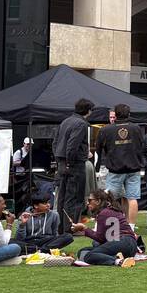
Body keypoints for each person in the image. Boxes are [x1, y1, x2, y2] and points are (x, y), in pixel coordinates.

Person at [94, 103, 147, 230]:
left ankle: (100, 224)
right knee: (132, 198)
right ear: (129, 114)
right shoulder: (136, 128)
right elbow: (142, 146)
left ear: (115, 115)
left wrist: (97, 168)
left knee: (108, 198)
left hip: (115, 168)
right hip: (133, 168)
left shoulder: (106, 130)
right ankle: (131, 226)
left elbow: (98, 149)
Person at [53, 98, 94, 233]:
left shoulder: (65, 121)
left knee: (63, 197)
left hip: (62, 163)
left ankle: (61, 227)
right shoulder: (81, 124)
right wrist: (70, 162)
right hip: (74, 164)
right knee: (75, 197)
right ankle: (71, 227)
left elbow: (55, 142)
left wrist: (61, 161)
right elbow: (72, 145)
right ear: (87, 110)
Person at [71, 191, 140, 267]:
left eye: (90, 200)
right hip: (131, 245)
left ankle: (118, 261)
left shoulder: (103, 213)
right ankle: (115, 257)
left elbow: (100, 238)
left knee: (89, 255)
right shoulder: (112, 210)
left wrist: (84, 228)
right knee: (82, 251)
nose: (87, 203)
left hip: (122, 242)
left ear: (98, 201)